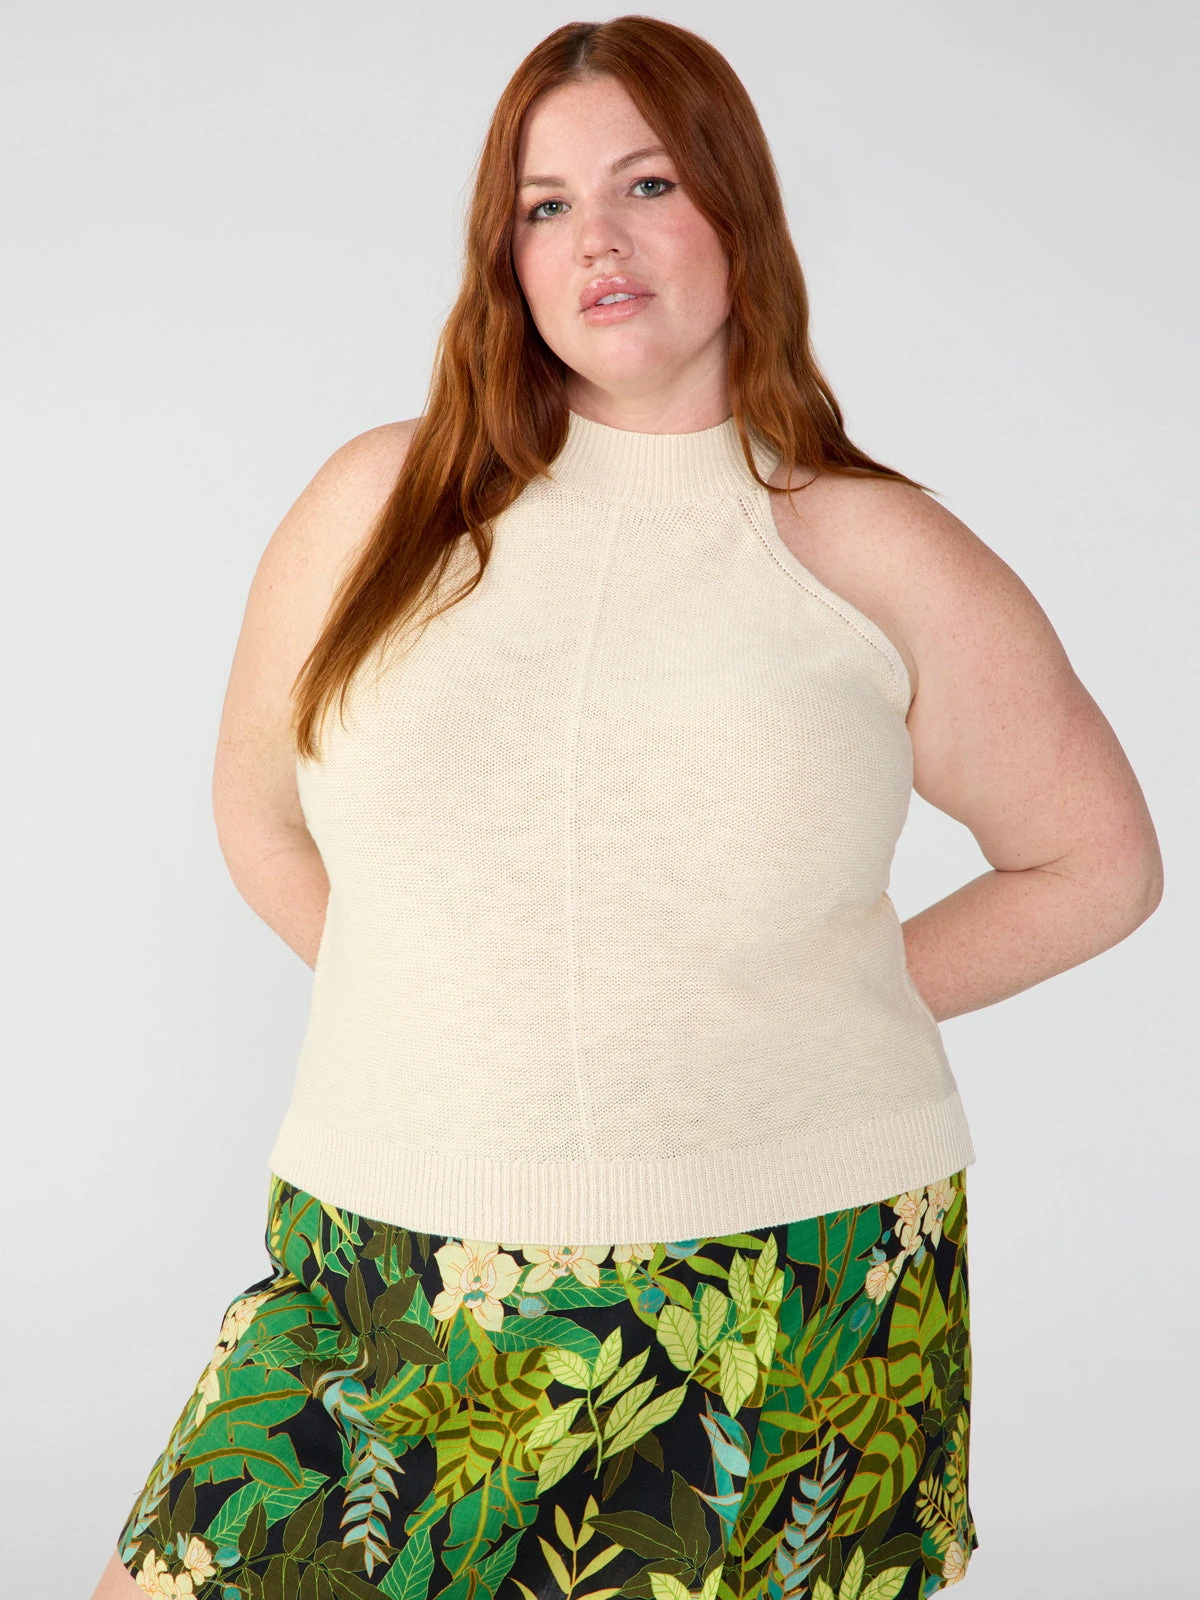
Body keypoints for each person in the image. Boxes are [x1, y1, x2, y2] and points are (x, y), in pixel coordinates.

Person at [92, 16, 1163, 1600]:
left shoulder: (874, 549)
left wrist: (779, 1009)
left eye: (648, 183)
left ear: (737, 209)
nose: (595, 236)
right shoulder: (376, 507)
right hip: (394, 1266)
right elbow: (260, 816)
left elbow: (1096, 864)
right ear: (507, 257)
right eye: (546, 204)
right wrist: (457, 1013)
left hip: (782, 1284)